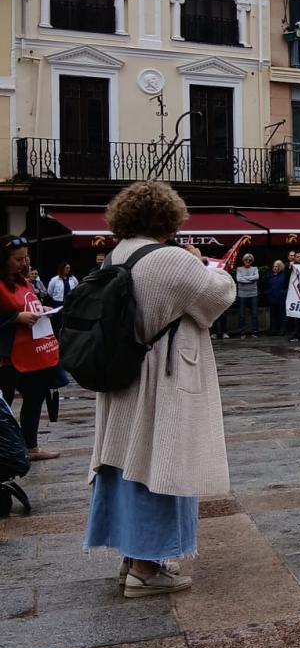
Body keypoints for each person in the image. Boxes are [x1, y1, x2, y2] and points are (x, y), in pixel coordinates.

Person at [84, 181, 236, 596]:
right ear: (170, 218)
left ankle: (131, 556)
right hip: (160, 377)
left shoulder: (115, 255)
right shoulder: (170, 259)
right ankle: (146, 569)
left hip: (121, 375)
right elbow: (218, 297)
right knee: (160, 462)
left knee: (122, 459)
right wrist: (200, 263)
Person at [0, 237, 62, 461]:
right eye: (17, 259)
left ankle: (31, 446)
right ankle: (5, 450)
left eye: (25, 257)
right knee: (4, 404)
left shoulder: (24, 281)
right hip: (7, 356)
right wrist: (16, 317)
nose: (23, 262)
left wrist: (40, 308)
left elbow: (28, 302)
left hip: (33, 353)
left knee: (35, 398)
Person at [234, 252, 260, 338]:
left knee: (254, 314)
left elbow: (257, 277)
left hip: (253, 294)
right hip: (242, 294)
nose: (248, 261)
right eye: (246, 259)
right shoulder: (239, 269)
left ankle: (255, 332)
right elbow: (238, 279)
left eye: (250, 260)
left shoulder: (255, 268)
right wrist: (251, 280)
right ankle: (242, 332)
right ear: (243, 260)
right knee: (241, 315)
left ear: (252, 261)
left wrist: (244, 278)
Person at [264, 259, 289, 336]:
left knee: (282, 315)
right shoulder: (270, 275)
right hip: (272, 298)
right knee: (273, 316)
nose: (275, 268)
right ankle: (273, 330)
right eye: (274, 266)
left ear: (280, 267)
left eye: (277, 266)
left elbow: (287, 286)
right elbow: (266, 286)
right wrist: (268, 293)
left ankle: (282, 330)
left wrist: (283, 293)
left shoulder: (284, 275)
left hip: (282, 298)